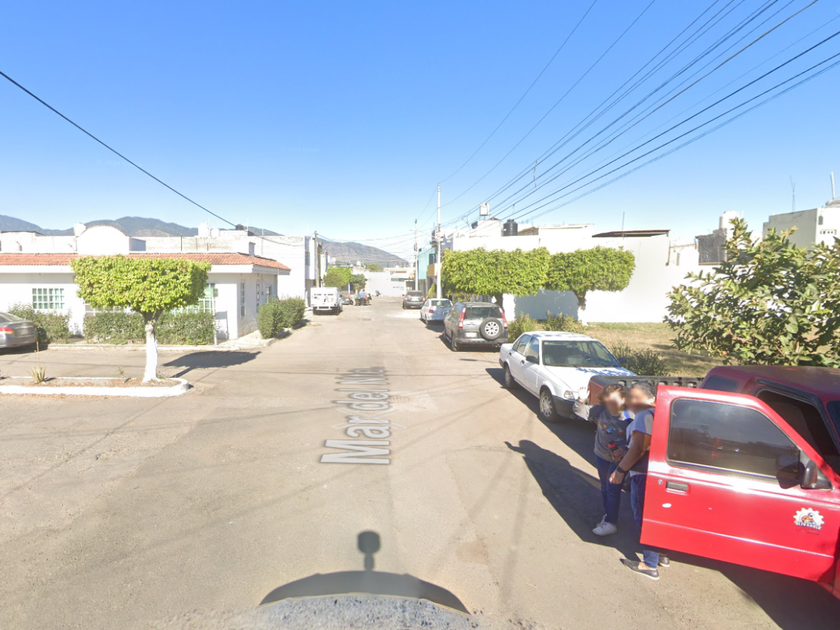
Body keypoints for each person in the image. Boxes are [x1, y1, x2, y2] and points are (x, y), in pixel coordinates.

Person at [610, 381, 669, 580]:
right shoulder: (662, 414)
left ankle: (649, 564)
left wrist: (620, 470)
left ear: (651, 398)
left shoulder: (644, 415)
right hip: (659, 474)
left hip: (643, 476)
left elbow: (639, 448)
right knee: (657, 516)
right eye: (631, 397)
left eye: (637, 397)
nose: (632, 402)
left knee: (643, 517)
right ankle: (661, 554)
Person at [573, 383, 633, 537]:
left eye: (615, 399)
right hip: (601, 455)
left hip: (618, 461)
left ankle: (611, 522)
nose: (611, 403)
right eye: (608, 399)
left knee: (612, 489)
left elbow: (636, 441)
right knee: (605, 487)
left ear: (623, 399)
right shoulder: (600, 410)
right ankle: (608, 515)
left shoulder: (628, 417)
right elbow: (580, 411)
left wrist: (624, 450)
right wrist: (581, 399)